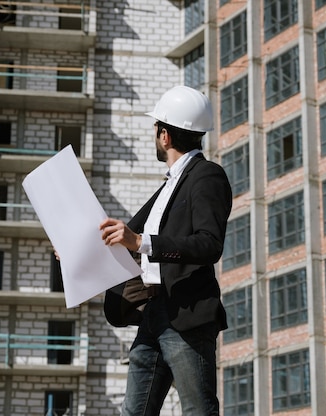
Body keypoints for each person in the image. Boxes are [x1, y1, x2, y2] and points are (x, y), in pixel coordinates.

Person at [99, 85, 232, 415]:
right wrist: (76, 251)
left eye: (156, 128)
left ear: (165, 137)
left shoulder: (207, 176)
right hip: (152, 315)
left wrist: (141, 241)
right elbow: (124, 239)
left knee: (197, 410)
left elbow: (209, 244)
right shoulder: (168, 186)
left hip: (186, 316)